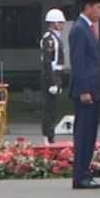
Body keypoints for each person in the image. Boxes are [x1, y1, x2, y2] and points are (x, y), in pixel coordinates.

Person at [68, 0, 100, 189]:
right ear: (88, 7)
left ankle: (85, 173)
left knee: (90, 134)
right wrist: (83, 90)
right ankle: (80, 176)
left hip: (94, 90)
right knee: (83, 135)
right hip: (86, 91)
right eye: (99, 7)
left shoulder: (88, 28)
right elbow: (78, 63)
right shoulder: (79, 29)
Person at [40, 9, 67, 145]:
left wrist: (59, 81)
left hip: (56, 75)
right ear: (54, 23)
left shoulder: (56, 38)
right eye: (60, 22)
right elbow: (47, 62)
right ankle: (47, 135)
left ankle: (51, 135)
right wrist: (52, 82)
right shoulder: (49, 39)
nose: (62, 25)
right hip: (49, 76)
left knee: (53, 108)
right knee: (48, 108)